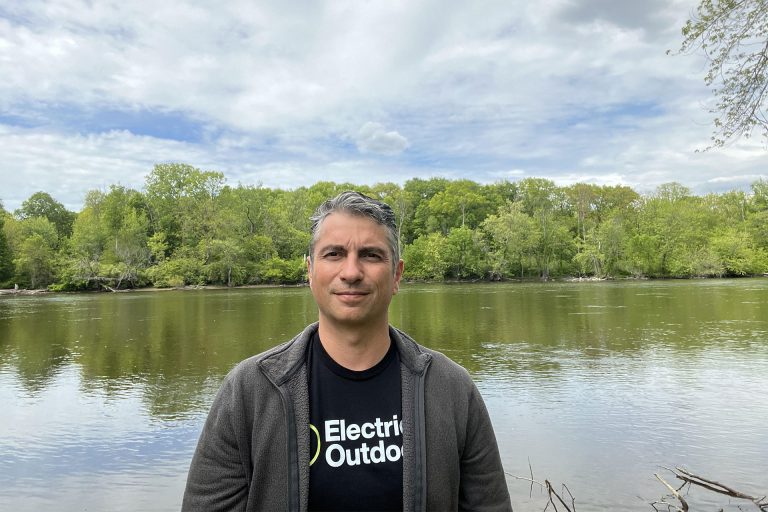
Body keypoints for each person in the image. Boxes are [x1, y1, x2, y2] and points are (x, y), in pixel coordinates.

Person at [182, 191, 512, 512]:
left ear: (396, 275)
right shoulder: (249, 391)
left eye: (371, 255)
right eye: (334, 254)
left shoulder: (452, 389)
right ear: (310, 271)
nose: (351, 272)